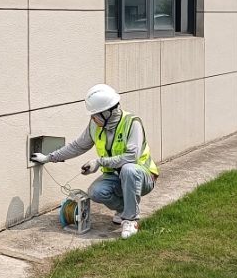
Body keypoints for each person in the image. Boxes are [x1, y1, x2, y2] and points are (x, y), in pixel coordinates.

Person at [30, 84, 159, 239]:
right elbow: (77, 146)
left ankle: (130, 220)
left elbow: (131, 157)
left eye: (95, 115)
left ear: (107, 113)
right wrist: (49, 157)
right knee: (96, 192)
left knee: (128, 169)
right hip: (117, 177)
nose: (92, 118)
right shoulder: (95, 125)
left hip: (143, 176)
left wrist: (99, 162)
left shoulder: (132, 123)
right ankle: (126, 209)